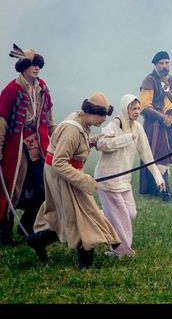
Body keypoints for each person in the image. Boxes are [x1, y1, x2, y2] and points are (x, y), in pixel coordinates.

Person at [28, 93, 120, 269]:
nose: (103, 119)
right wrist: (84, 180)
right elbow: (59, 162)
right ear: (89, 112)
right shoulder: (72, 130)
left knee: (65, 215)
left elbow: (78, 146)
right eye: (100, 115)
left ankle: (37, 240)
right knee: (81, 215)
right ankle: (85, 263)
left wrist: (93, 141)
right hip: (62, 174)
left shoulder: (81, 120)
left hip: (68, 173)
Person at [94, 94, 165, 258]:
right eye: (134, 108)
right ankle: (122, 251)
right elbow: (101, 144)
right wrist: (125, 139)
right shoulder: (114, 125)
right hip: (108, 179)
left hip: (124, 181)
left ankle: (97, 216)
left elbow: (146, 154)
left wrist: (158, 177)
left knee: (130, 214)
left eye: (139, 108)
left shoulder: (138, 128)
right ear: (126, 109)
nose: (137, 111)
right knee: (121, 218)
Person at [0, 46, 55, 246]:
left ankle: (28, 225)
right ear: (23, 67)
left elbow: (49, 115)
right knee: (11, 189)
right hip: (15, 145)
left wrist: (54, 138)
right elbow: (2, 122)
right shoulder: (11, 90)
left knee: (43, 186)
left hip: (38, 144)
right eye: (32, 65)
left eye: (38, 65)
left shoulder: (42, 87)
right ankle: (4, 236)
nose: (36, 68)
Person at [139, 51, 172, 201]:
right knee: (159, 158)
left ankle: (156, 189)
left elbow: (170, 103)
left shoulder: (167, 80)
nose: (165, 66)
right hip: (155, 125)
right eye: (161, 63)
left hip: (168, 123)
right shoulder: (149, 81)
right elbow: (144, 107)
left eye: (167, 62)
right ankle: (164, 192)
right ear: (156, 65)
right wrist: (163, 118)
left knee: (165, 157)